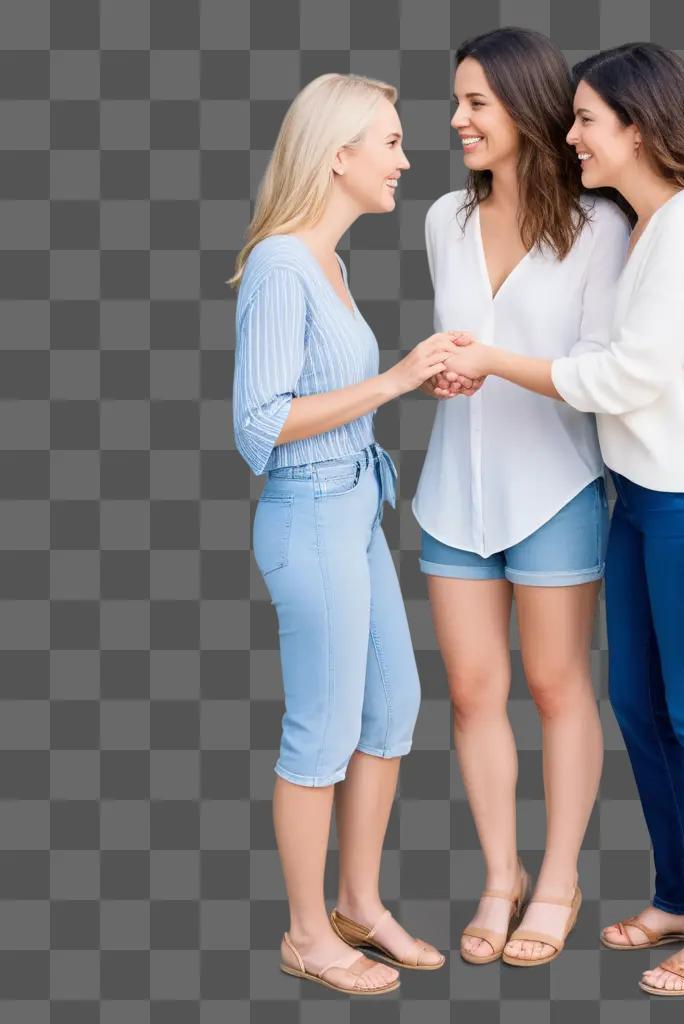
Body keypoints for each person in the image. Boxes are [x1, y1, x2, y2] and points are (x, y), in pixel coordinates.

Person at [442, 42, 684, 995]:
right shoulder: (651, 223)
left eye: (587, 119)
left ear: (639, 126)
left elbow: (624, 374)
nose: (571, 133)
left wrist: (495, 360)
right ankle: (680, 897)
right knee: (637, 703)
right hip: (637, 496)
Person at [230, 73, 461, 996]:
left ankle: (357, 906)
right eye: (392, 142)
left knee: (391, 710)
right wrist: (397, 380)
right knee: (319, 732)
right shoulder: (285, 262)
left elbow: (332, 397)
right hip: (310, 513)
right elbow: (259, 424)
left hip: (353, 510)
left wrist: (411, 381)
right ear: (340, 155)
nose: (406, 159)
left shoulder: (327, 262)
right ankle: (303, 934)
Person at [412, 28, 630, 967]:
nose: (456, 120)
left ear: (527, 109)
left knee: (554, 686)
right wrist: (443, 375)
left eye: (476, 104)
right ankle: (499, 878)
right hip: (452, 489)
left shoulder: (601, 229)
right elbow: (452, 346)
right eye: (456, 101)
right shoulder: (442, 223)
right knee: (470, 693)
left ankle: (558, 881)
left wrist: (494, 362)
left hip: (556, 488)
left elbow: (595, 371)